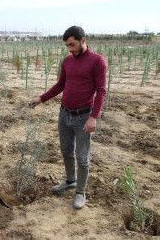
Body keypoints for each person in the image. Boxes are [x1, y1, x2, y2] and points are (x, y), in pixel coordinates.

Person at [29, 26, 107, 209]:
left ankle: (80, 192)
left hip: (83, 116)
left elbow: (101, 91)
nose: (70, 49)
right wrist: (41, 99)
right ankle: (71, 180)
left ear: (83, 40)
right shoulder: (67, 61)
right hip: (64, 113)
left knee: (82, 157)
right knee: (66, 151)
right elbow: (60, 85)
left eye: (72, 44)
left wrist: (93, 117)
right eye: (67, 46)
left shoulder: (98, 61)